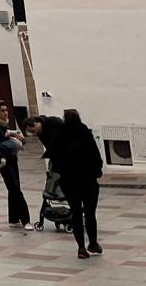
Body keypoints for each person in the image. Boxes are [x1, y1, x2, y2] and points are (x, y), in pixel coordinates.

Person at [50, 108, 103, 258]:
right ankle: (93, 243)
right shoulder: (85, 133)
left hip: (69, 181)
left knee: (76, 213)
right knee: (90, 213)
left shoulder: (60, 135)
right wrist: (97, 172)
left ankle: (81, 247)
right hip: (88, 180)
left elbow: (55, 159)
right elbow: (95, 155)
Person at [0, 101, 33, 230]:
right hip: (3, 159)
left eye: (6, 110)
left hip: (12, 157)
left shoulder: (6, 124)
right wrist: (12, 144)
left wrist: (18, 139)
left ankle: (13, 218)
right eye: (2, 110)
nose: (5, 112)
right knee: (15, 188)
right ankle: (26, 220)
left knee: (14, 187)